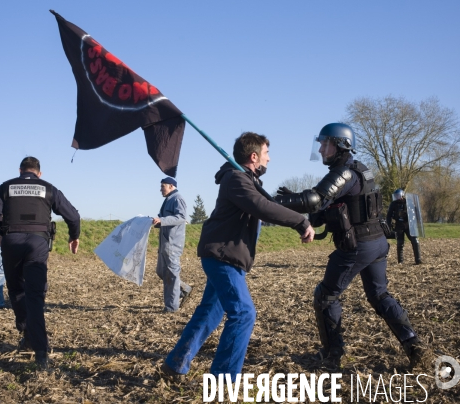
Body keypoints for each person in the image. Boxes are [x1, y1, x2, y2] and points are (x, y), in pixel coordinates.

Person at [161, 132, 315, 382]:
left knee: (210, 311)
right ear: (254, 156)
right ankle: (223, 382)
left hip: (227, 255)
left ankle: (175, 364)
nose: (270, 159)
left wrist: (302, 210)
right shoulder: (236, 179)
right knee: (243, 313)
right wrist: (300, 222)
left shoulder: (245, 180)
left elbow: (267, 203)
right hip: (223, 256)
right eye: (266, 154)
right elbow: (261, 207)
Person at [274, 123, 429, 368]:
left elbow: (315, 200)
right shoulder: (359, 170)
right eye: (321, 144)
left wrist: (270, 201)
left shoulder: (344, 172)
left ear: (341, 145)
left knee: (325, 296)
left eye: (326, 144)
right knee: (379, 295)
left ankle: (332, 354)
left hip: (359, 246)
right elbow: (334, 206)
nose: (322, 149)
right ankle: (413, 343)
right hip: (377, 243)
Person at [0, 157, 81, 369]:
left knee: (16, 291)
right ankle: (40, 351)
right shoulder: (48, 188)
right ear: (39, 173)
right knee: (34, 296)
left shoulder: (5, 188)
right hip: (37, 244)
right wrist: (73, 236)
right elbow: (74, 216)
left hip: (11, 243)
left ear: (20, 171)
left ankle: (26, 332)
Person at [152, 177, 192, 313]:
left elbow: (181, 217)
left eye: (162, 186)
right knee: (161, 272)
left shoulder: (177, 198)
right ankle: (183, 289)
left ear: (170, 186)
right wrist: (156, 223)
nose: (160, 189)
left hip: (172, 243)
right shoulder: (169, 199)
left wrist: (162, 220)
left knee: (172, 274)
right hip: (164, 242)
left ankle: (171, 307)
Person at [387, 189, 422, 265]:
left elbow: (415, 212)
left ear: (402, 195)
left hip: (409, 224)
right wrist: (389, 225)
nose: (397, 197)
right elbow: (389, 215)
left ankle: (418, 259)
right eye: (396, 196)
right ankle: (400, 261)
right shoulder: (393, 204)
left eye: (398, 195)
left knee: (415, 241)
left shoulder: (408, 202)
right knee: (400, 243)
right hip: (399, 225)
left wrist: (407, 214)